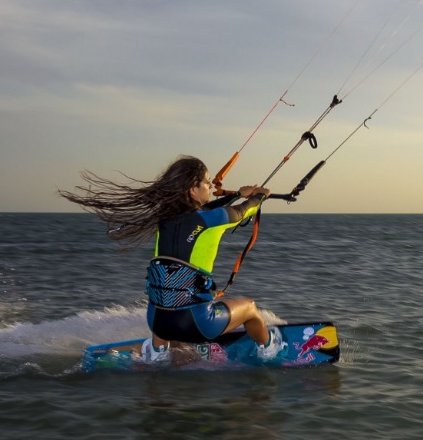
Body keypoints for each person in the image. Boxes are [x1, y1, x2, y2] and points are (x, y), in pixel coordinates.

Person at [61, 155, 284, 362]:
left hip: (158, 323)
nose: (210, 187)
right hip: (196, 326)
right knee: (251, 309)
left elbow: (201, 212)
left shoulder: (164, 218)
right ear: (192, 190)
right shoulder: (211, 219)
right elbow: (244, 211)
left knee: (169, 294)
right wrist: (258, 196)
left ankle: (158, 352)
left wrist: (237, 194)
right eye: (206, 183)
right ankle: (269, 349)